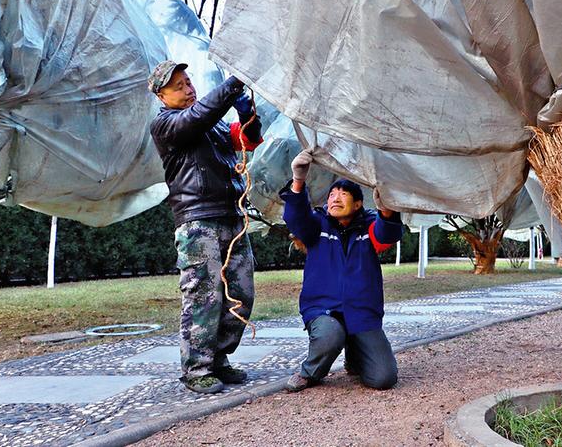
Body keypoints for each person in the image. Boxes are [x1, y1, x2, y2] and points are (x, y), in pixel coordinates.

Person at [148, 60, 263, 394]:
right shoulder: (166, 124)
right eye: (178, 86)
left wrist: (247, 114)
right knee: (203, 297)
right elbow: (196, 119)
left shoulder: (211, 124)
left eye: (188, 82)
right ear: (162, 95)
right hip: (198, 223)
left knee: (241, 294)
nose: (188, 88)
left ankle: (218, 359)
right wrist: (232, 86)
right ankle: (196, 369)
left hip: (231, 217)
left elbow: (249, 140)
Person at [279, 150, 403, 392]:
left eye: (343, 194)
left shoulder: (368, 226)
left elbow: (387, 234)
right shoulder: (317, 224)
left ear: (358, 204)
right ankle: (310, 372)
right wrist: (298, 180)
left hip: (362, 312)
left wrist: (386, 208)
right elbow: (296, 218)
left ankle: (355, 356)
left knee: (383, 378)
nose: (335, 198)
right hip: (324, 308)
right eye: (332, 194)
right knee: (330, 335)